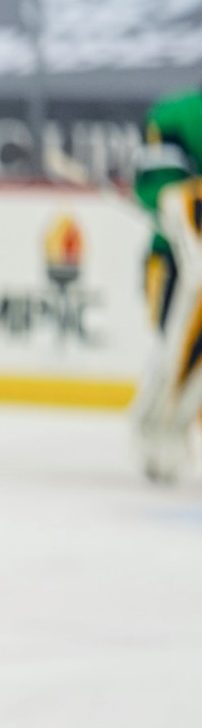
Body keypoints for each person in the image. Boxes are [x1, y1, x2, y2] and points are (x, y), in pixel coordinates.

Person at [127, 89, 202, 484]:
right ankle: (155, 428)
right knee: (175, 352)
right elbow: (154, 187)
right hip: (179, 262)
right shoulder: (176, 116)